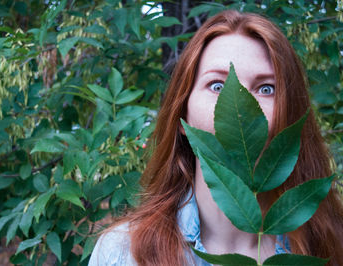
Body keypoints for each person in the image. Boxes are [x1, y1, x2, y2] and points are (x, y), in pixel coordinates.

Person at [89, 10, 343, 266]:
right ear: (182, 117)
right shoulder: (122, 254)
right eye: (218, 86)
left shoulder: (331, 244)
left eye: (266, 89)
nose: (239, 109)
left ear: (291, 117)